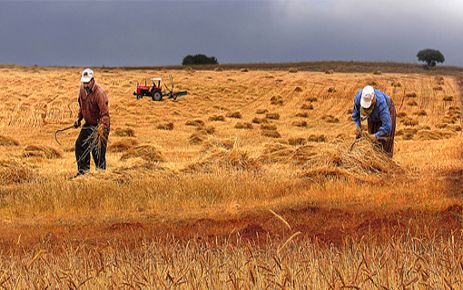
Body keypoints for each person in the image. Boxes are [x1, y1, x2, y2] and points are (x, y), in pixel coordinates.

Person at [73, 68, 110, 177]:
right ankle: (83, 173)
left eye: (87, 83)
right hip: (88, 124)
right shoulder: (82, 90)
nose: (85, 86)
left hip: (100, 126)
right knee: (80, 145)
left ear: (93, 80)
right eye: (84, 83)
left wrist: (101, 130)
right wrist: (78, 119)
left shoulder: (100, 93)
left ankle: (101, 176)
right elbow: (82, 107)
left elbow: (105, 115)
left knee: (97, 152)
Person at [352, 85, 396, 157]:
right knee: (372, 143)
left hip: (388, 110)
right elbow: (355, 115)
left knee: (385, 143)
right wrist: (358, 127)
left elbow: (387, 126)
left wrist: (376, 136)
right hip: (373, 115)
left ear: (373, 100)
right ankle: (374, 159)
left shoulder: (381, 104)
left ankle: (385, 163)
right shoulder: (358, 98)